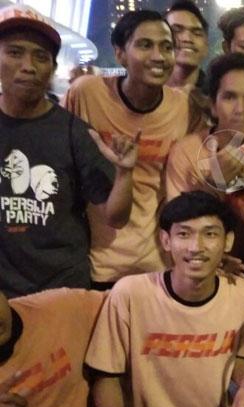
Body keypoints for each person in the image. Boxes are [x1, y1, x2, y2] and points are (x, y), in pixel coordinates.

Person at [85, 191, 244, 407]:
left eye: (210, 234)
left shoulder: (243, 294)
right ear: (166, 240)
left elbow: (240, 357)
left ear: (228, 241)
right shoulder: (130, 294)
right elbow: (106, 376)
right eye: (184, 234)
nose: (196, 247)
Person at [0, 4, 136, 297]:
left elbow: (116, 216)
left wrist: (125, 173)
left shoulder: (73, 131)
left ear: (52, 68)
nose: (28, 65)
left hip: (62, 289)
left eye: (41, 57)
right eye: (14, 53)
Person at [65, 10, 190, 288]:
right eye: (145, 45)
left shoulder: (182, 107)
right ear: (120, 53)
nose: (159, 56)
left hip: (156, 262)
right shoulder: (87, 93)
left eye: (167, 47)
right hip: (96, 263)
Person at [166, 52, 244, 284]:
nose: (240, 109)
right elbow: (177, 229)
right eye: (229, 97)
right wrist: (214, 184)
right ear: (213, 106)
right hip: (199, 269)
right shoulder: (188, 151)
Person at [165, 0, 209, 93]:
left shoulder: (216, 96)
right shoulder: (143, 94)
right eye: (177, 30)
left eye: (196, 33)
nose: (187, 38)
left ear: (206, 46)